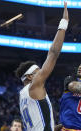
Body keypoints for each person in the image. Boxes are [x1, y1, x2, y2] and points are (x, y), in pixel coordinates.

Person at [15, 2, 69, 131]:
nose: (42, 74)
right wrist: (64, 23)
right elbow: (53, 54)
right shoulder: (34, 86)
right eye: (38, 72)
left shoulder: (22, 96)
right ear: (29, 76)